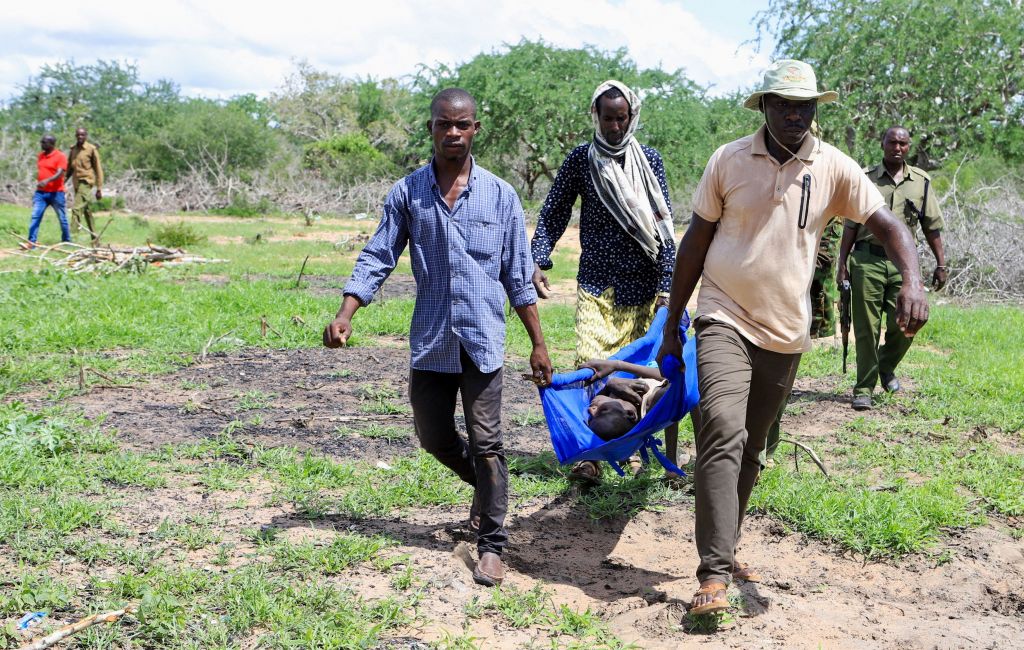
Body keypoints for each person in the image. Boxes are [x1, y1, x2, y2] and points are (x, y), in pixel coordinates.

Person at [657, 60, 929, 616]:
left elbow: (889, 225)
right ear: (764, 106)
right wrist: (672, 323)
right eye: (783, 104)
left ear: (814, 110)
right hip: (722, 314)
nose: (794, 114)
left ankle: (726, 548)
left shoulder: (834, 167)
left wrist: (913, 278)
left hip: (784, 330)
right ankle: (711, 576)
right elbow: (695, 242)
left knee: (753, 447)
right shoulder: (728, 160)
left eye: (804, 106)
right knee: (724, 430)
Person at [323, 88, 552, 588]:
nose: (453, 133)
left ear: (475, 129)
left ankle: (492, 541)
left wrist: (538, 342)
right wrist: (347, 311)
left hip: (483, 337)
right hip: (432, 339)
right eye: (444, 125)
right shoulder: (408, 193)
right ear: (430, 128)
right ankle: (489, 491)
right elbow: (378, 254)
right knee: (432, 436)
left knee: (488, 441)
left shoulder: (501, 195)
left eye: (463, 125)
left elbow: (517, 274)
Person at [531, 79, 679, 480]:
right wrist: (538, 258)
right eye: (607, 118)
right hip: (596, 281)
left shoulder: (649, 160)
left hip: (644, 284)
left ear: (632, 117)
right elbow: (554, 210)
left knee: (636, 371)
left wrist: (668, 285)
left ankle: (632, 447)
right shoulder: (581, 160)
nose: (614, 126)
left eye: (622, 118)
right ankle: (590, 455)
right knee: (589, 366)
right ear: (594, 117)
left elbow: (664, 225)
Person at [837, 125, 947, 411]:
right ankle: (863, 387)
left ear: (909, 147)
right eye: (892, 142)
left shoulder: (920, 181)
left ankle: (885, 365)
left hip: (902, 265)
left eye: (903, 144)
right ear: (882, 143)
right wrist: (842, 265)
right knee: (866, 327)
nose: (897, 148)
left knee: (908, 321)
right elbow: (850, 225)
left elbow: (931, 227)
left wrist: (941, 264)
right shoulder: (865, 178)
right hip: (866, 260)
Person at [26, 134, 70, 247]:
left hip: (56, 193)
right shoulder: (40, 156)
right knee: (35, 216)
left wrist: (47, 180)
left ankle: (67, 241)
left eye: (44, 142)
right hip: (40, 193)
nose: (42, 144)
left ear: (51, 144)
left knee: (62, 218)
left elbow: (60, 173)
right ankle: (32, 242)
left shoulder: (60, 156)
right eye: (41, 142)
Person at [66, 127, 104, 243]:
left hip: (86, 183)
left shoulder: (91, 149)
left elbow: (98, 169)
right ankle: (95, 239)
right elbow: (69, 169)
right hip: (76, 184)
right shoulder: (73, 150)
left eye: (82, 135)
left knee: (76, 209)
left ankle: (71, 239)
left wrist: (99, 188)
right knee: (87, 212)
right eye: (78, 135)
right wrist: (62, 182)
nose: (80, 137)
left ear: (86, 136)